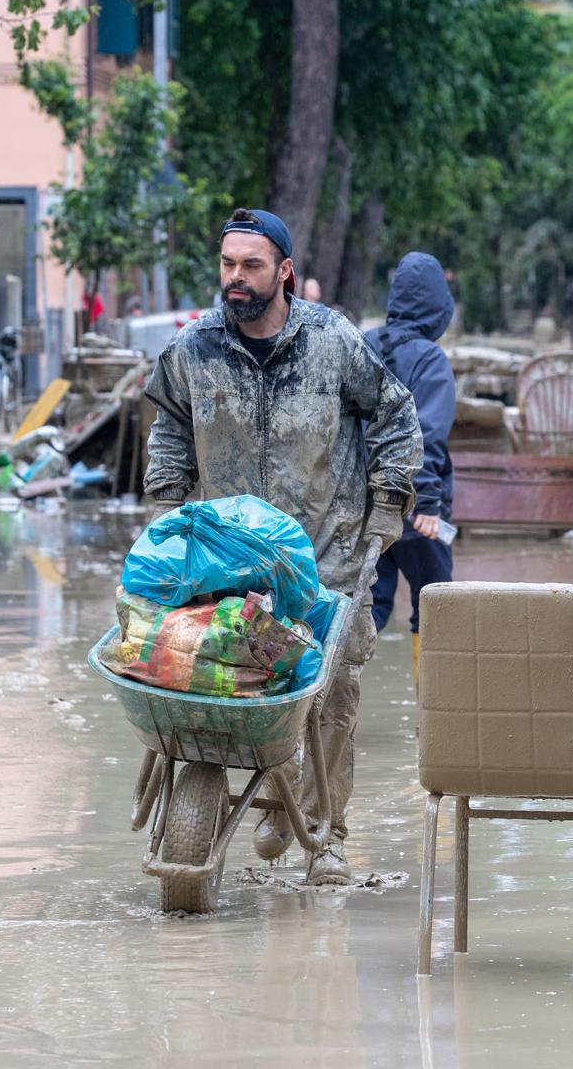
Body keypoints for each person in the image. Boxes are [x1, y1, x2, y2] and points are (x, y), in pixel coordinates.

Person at [144, 208, 423, 884]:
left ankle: (324, 832)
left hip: (327, 558)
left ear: (285, 273)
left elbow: (395, 416)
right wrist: (166, 505)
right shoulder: (194, 349)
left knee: (330, 698)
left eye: (252, 266)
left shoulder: (333, 343)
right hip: (229, 563)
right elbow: (170, 429)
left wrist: (388, 504)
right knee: (230, 689)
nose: (235, 280)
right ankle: (264, 802)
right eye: (227, 265)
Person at [364, 252, 457, 676]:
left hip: (361, 506)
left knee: (368, 604)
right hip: (415, 505)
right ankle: (434, 721)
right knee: (436, 605)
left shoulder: (361, 344)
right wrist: (432, 507)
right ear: (440, 306)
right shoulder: (430, 360)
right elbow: (428, 437)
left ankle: (327, 705)